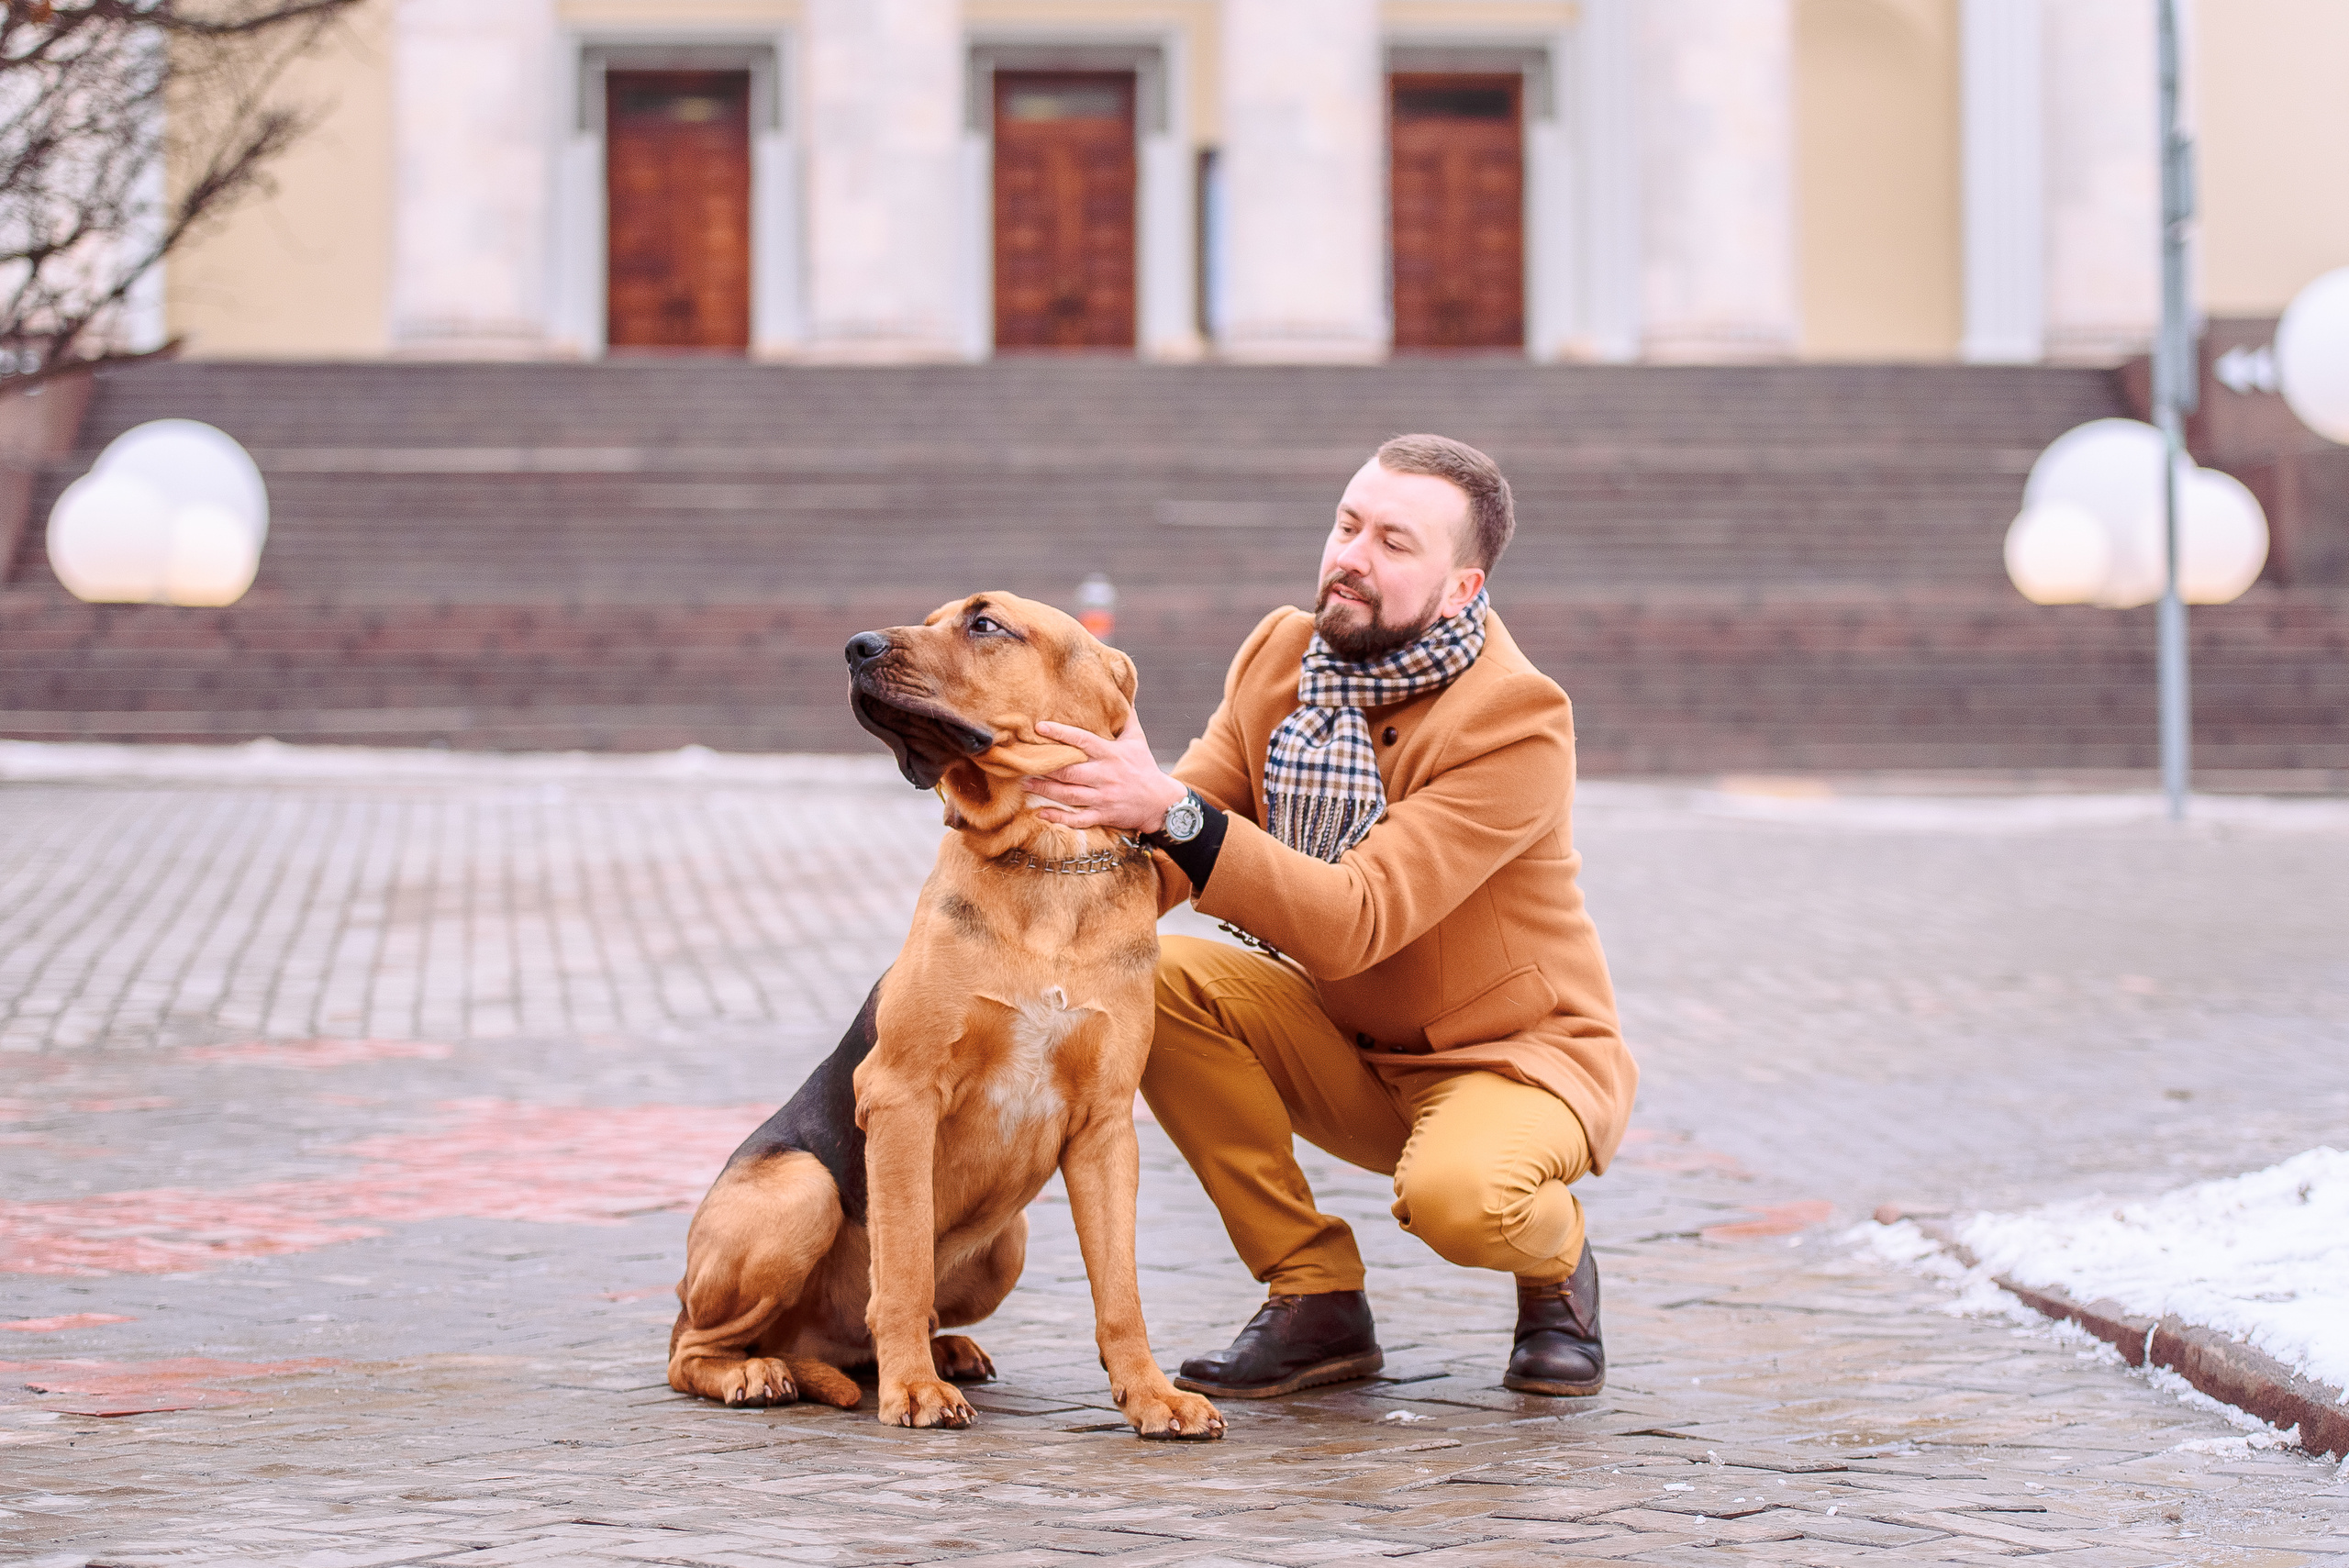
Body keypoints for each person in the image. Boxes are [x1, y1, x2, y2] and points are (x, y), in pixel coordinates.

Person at [1024, 433, 1636, 1398]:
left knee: (1463, 1199)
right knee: (1148, 972)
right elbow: (1174, 845)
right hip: (1354, 1042)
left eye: (1395, 543)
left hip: (1514, 1057)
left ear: (1461, 587)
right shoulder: (1281, 655)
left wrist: (1170, 810)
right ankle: (1315, 1297)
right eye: (1347, 524)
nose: (1350, 556)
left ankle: (1557, 1263)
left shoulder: (1515, 718)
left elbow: (1355, 915)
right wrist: (1036, 859)